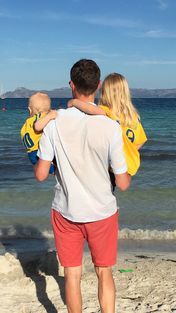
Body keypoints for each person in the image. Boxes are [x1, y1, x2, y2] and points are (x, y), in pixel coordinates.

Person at [34, 59, 131, 313]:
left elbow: (42, 175)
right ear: (97, 86)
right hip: (102, 213)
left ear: (71, 85)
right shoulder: (111, 127)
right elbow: (122, 183)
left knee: (72, 276)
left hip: (66, 212)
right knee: (104, 273)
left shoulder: (53, 123)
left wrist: (37, 157)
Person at [68, 73, 147, 179]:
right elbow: (141, 141)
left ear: (105, 92)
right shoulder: (133, 116)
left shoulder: (107, 110)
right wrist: (129, 150)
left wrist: (74, 102)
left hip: (114, 166)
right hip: (131, 164)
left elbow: (91, 109)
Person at [20, 92, 57, 173]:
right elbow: (37, 127)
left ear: (29, 110)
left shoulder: (27, 122)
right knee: (56, 169)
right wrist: (50, 115)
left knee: (48, 170)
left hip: (31, 154)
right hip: (38, 152)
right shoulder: (40, 117)